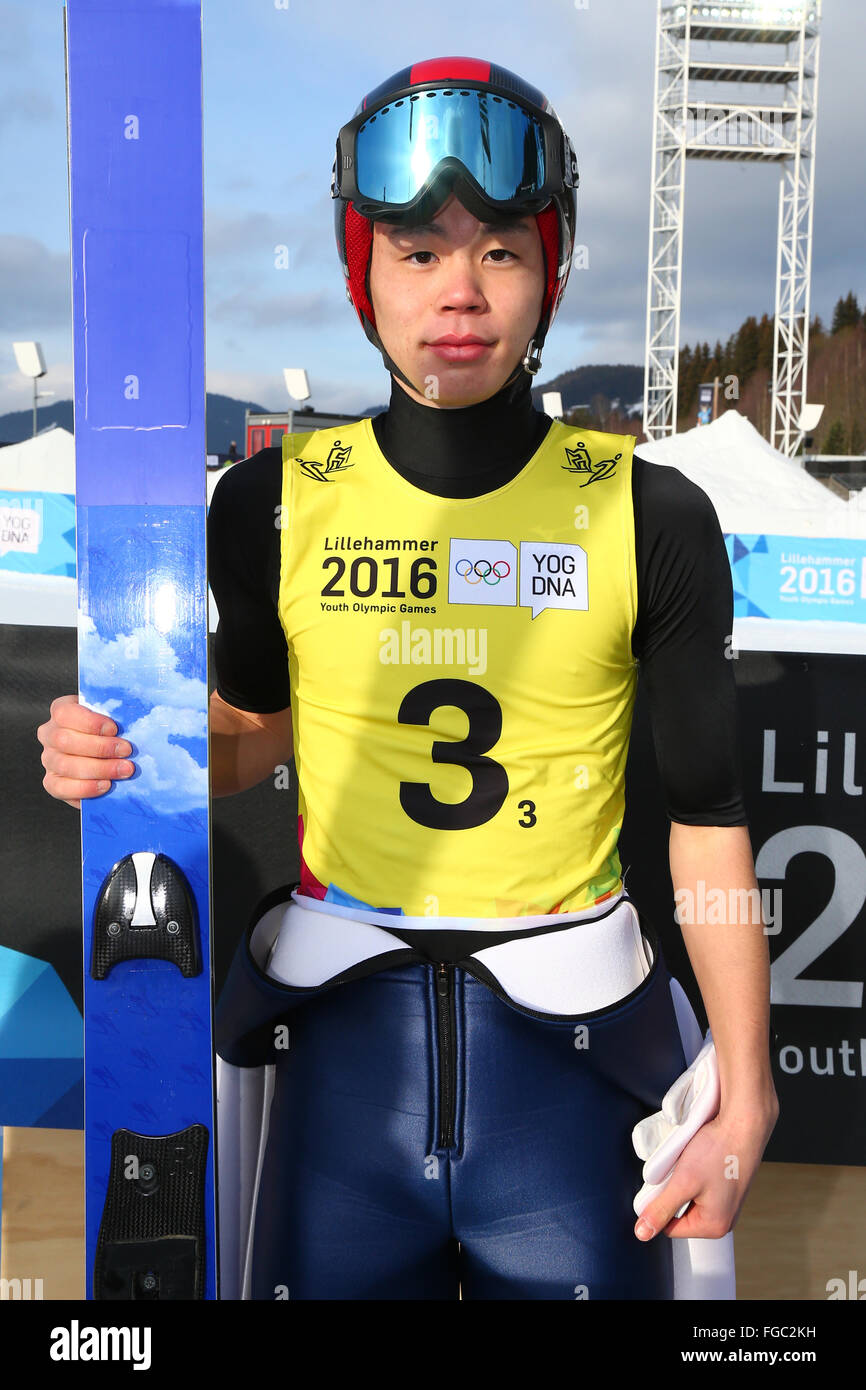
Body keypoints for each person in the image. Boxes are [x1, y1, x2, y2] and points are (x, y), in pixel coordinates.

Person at [37, 55, 778, 1300]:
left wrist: (746, 1088)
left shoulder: (648, 514)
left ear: (547, 274)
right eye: (415, 250)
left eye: (498, 248)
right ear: (357, 275)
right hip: (342, 1057)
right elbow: (251, 736)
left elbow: (706, 832)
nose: (459, 290)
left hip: (571, 1058)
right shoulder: (274, 500)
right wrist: (127, 755)